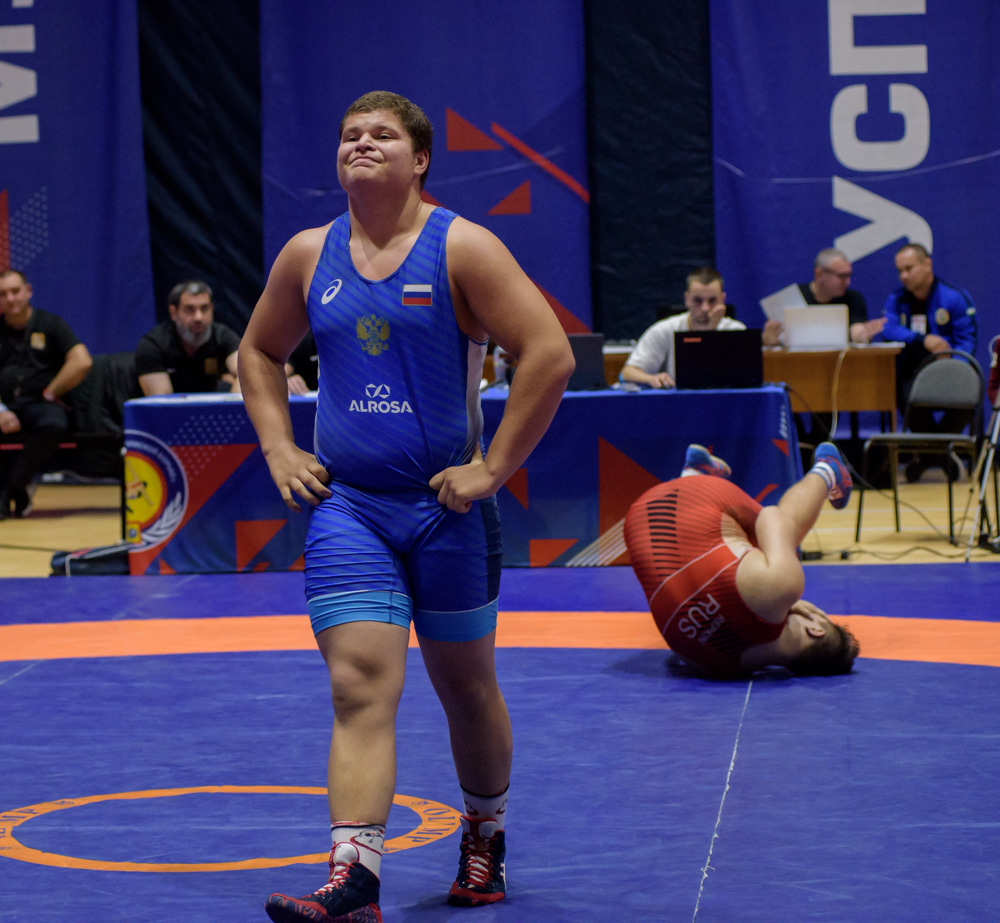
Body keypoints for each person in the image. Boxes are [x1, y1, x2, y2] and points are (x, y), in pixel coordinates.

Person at [238, 91, 574, 922]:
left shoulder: (463, 247)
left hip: (444, 512)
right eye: (349, 135)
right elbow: (258, 351)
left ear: (420, 160)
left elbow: (549, 353)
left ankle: (485, 834)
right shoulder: (308, 255)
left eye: (382, 135)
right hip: (350, 508)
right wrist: (279, 447)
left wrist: (492, 469)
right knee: (357, 685)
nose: (361, 143)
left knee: (466, 686)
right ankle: (354, 879)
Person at [624, 442, 860, 679]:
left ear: (816, 629)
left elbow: (772, 516)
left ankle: (827, 471)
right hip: (637, 523)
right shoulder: (712, 667)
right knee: (746, 556)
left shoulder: (781, 588)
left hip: (690, 497)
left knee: (781, 534)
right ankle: (693, 472)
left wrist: (784, 593)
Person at [0, 269, 93, 519]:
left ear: (28, 291)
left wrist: (52, 391)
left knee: (54, 423)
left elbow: (82, 361)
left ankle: (13, 486)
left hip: (39, 402)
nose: (10, 298)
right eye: (3, 294)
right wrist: (1, 410)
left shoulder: (50, 324)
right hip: (5, 405)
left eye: (15, 291)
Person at [881, 243, 979, 481]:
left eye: (909, 268)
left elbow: (967, 340)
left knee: (969, 389)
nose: (904, 276)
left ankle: (927, 458)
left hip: (950, 369)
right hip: (913, 371)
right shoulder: (897, 300)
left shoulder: (954, 297)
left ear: (927, 265)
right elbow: (888, 329)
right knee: (903, 391)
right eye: (900, 271)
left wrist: (951, 361)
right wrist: (923, 339)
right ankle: (942, 456)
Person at [620, 266, 779, 389]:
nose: (705, 308)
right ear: (686, 298)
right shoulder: (663, 330)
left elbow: (748, 379)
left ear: (723, 299)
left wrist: (712, 329)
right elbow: (627, 373)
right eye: (698, 300)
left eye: (712, 301)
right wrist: (651, 378)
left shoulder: (736, 331)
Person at [134, 280, 241, 395]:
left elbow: (247, 373)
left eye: (204, 308)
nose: (198, 317)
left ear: (211, 309)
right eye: (190, 309)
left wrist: (234, 403)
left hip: (208, 405)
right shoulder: (153, 344)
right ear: (174, 312)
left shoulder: (223, 337)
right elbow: (161, 402)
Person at [795, 247, 885, 345]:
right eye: (841, 276)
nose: (848, 282)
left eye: (849, 276)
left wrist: (862, 335)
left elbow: (856, 330)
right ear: (819, 274)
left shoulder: (854, 299)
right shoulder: (795, 296)